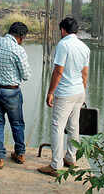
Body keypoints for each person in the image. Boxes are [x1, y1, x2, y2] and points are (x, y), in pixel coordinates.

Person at [38, 17, 90, 177]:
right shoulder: (84, 47)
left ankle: (55, 165)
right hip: (79, 92)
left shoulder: (63, 45)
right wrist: (82, 90)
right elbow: (85, 72)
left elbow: (58, 71)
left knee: (58, 127)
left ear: (62, 30)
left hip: (65, 93)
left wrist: (50, 92)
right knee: (74, 126)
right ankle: (71, 158)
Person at [0, 22, 31, 169]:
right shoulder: (19, 50)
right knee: (17, 123)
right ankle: (20, 154)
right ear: (21, 37)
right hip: (11, 91)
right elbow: (26, 76)